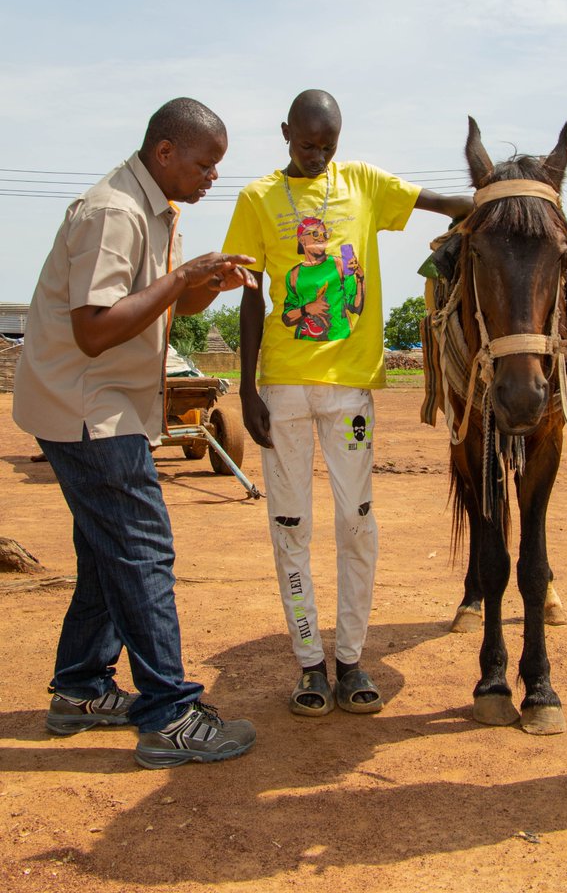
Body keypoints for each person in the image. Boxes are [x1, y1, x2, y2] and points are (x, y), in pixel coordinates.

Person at [13, 98, 259, 769]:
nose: (213, 176)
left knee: (105, 551)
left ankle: (81, 690)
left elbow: (162, 304)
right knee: (142, 550)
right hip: (88, 409)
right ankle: (169, 715)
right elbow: (95, 328)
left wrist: (203, 284)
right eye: (206, 163)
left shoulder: (154, 208)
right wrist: (182, 275)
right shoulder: (115, 213)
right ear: (165, 153)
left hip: (97, 404)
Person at [223, 88, 472, 716]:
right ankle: (310, 664)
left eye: (327, 146)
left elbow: (437, 201)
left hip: (350, 391)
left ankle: (353, 657)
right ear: (285, 133)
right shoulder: (256, 199)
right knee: (291, 526)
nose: (316, 156)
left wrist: (502, 201)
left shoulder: (362, 183)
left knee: (357, 522)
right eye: (306, 144)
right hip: (281, 389)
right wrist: (248, 386)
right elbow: (253, 296)